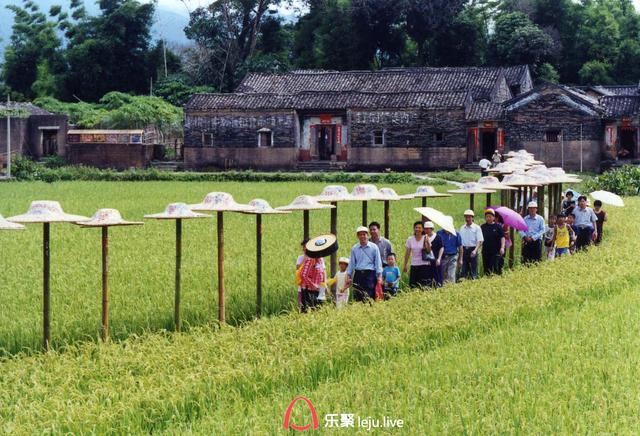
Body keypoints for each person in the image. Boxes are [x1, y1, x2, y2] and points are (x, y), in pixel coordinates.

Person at [346, 226, 383, 302]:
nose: (362, 236)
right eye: (360, 234)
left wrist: (379, 276)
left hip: (370, 275)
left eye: (364, 234)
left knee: (369, 296)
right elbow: (352, 263)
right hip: (358, 275)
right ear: (357, 236)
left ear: (367, 235)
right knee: (358, 296)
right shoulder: (355, 248)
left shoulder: (374, 247)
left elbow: (378, 262)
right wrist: (349, 276)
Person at [402, 221, 431, 287]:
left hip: (424, 265)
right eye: (416, 227)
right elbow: (407, 253)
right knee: (413, 285)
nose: (417, 229)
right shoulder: (410, 239)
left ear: (423, 229)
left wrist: (427, 243)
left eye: (419, 228)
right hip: (414, 264)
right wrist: (405, 265)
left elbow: (429, 251)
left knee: (424, 285)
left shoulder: (426, 238)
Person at [459, 210, 483, 280]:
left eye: (469, 217)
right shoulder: (462, 228)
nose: (467, 219)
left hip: (473, 249)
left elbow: (480, 240)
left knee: (473, 270)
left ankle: (474, 282)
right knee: (463, 269)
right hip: (463, 250)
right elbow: (460, 241)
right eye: (466, 217)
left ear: (472, 218)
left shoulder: (477, 228)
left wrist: (475, 250)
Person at [480, 209, 505, 275]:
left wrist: (502, 247)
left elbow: (502, 237)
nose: (488, 218)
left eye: (490, 216)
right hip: (485, 252)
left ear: (494, 217)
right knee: (487, 269)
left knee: (496, 268)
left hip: (496, 252)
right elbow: (480, 239)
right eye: (487, 216)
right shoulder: (482, 227)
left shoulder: (498, 227)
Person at [423, 221, 444, 287]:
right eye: (425, 228)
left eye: (428, 228)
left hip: (436, 260)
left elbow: (441, 248)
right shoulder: (423, 238)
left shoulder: (438, 237)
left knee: (438, 276)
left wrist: (439, 259)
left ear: (432, 229)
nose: (426, 230)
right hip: (427, 261)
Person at [295, 239, 308, 311]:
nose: (305, 248)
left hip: (313, 288)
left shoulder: (317, 258)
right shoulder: (300, 258)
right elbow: (298, 268)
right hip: (302, 286)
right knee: (301, 307)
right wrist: (306, 258)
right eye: (304, 246)